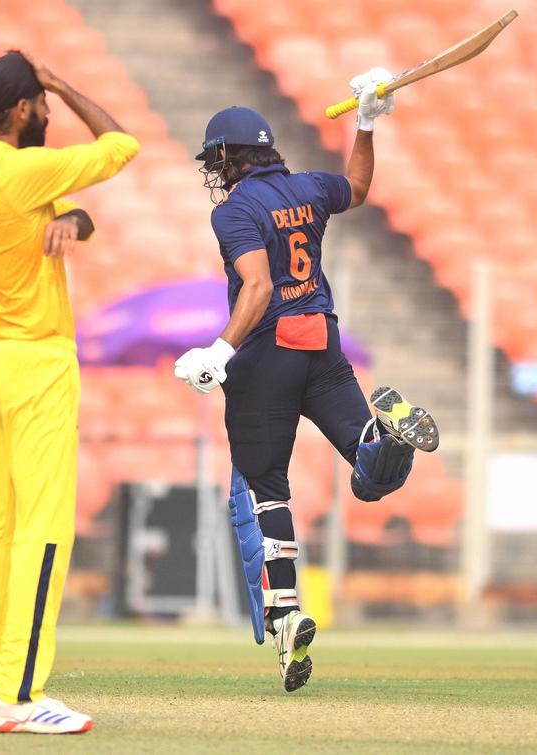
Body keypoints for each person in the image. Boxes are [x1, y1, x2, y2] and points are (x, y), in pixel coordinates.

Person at [174, 68, 439, 692]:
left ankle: (286, 612)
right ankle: (386, 441)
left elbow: (259, 286)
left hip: (266, 357)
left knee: (263, 491)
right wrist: (366, 124)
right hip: (321, 343)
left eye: (216, 160)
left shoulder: (236, 210)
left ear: (229, 157)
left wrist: (219, 350)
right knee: (370, 477)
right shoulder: (310, 187)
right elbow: (359, 187)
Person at [0, 50, 139, 734]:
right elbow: (121, 145)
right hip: (38, 366)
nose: (49, 111)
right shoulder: (23, 172)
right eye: (42, 102)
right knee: (44, 532)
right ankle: (17, 697)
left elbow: (60, 210)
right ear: (23, 108)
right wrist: (63, 82)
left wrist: (75, 220)